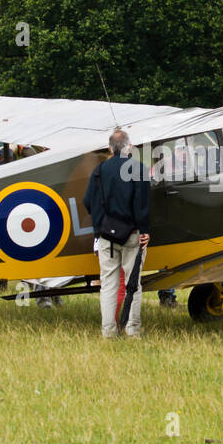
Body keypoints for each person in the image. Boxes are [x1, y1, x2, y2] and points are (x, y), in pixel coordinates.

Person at [83, 128, 150, 339]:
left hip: (106, 237)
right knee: (133, 284)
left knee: (108, 286)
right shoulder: (138, 168)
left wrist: (100, 225)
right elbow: (142, 203)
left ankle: (108, 332)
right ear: (129, 147)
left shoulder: (99, 170)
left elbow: (87, 202)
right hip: (132, 235)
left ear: (110, 148)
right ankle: (132, 330)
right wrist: (144, 230)